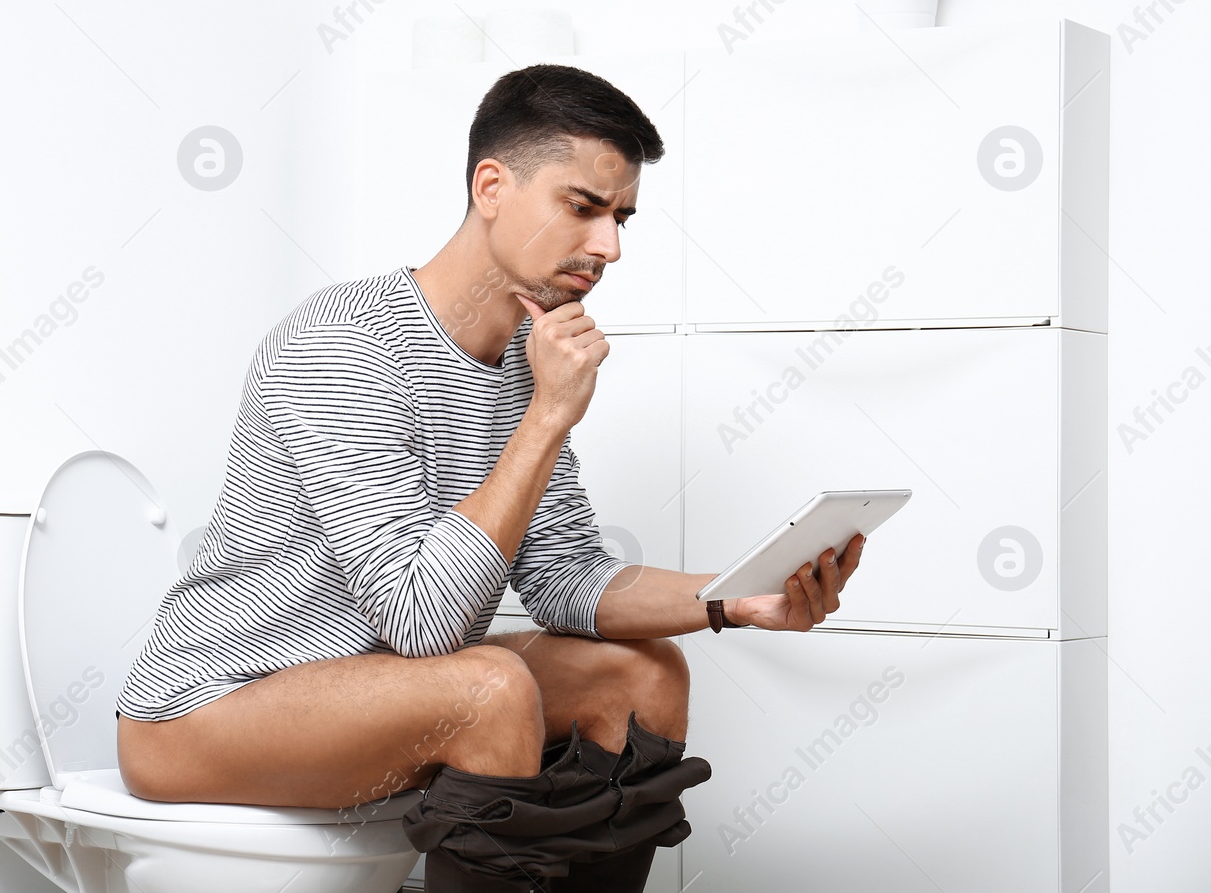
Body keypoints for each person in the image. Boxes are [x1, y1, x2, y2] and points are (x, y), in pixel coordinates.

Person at [115, 63, 866, 891]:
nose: (608, 246)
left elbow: (566, 576)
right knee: (488, 686)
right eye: (582, 207)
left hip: (376, 688)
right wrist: (549, 417)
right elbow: (423, 625)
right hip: (204, 707)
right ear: (492, 186)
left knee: (641, 675)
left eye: (621, 217)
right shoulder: (341, 345)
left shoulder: (520, 360)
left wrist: (737, 599)